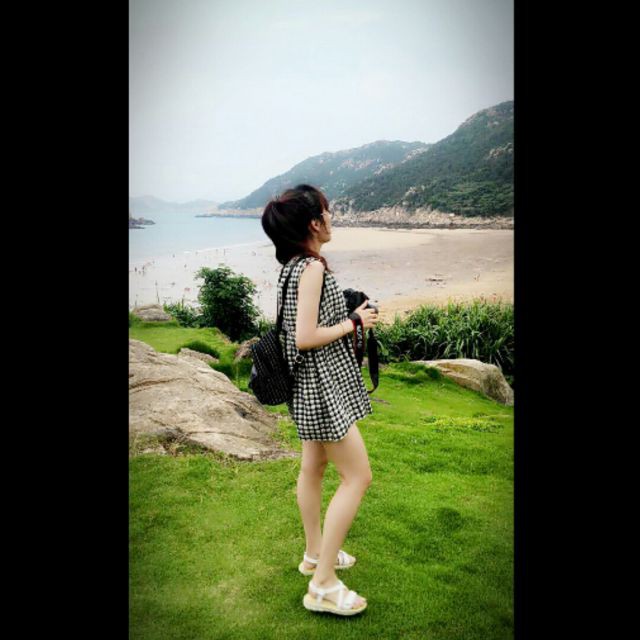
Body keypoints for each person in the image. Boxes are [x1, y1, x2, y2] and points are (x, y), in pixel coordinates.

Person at [262, 184, 379, 616]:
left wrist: (346, 316)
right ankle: (323, 584)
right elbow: (305, 337)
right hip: (321, 388)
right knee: (358, 477)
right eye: (327, 212)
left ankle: (314, 554)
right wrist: (354, 321)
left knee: (313, 467)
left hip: (306, 386)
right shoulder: (312, 268)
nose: (331, 218)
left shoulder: (292, 266)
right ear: (314, 223)